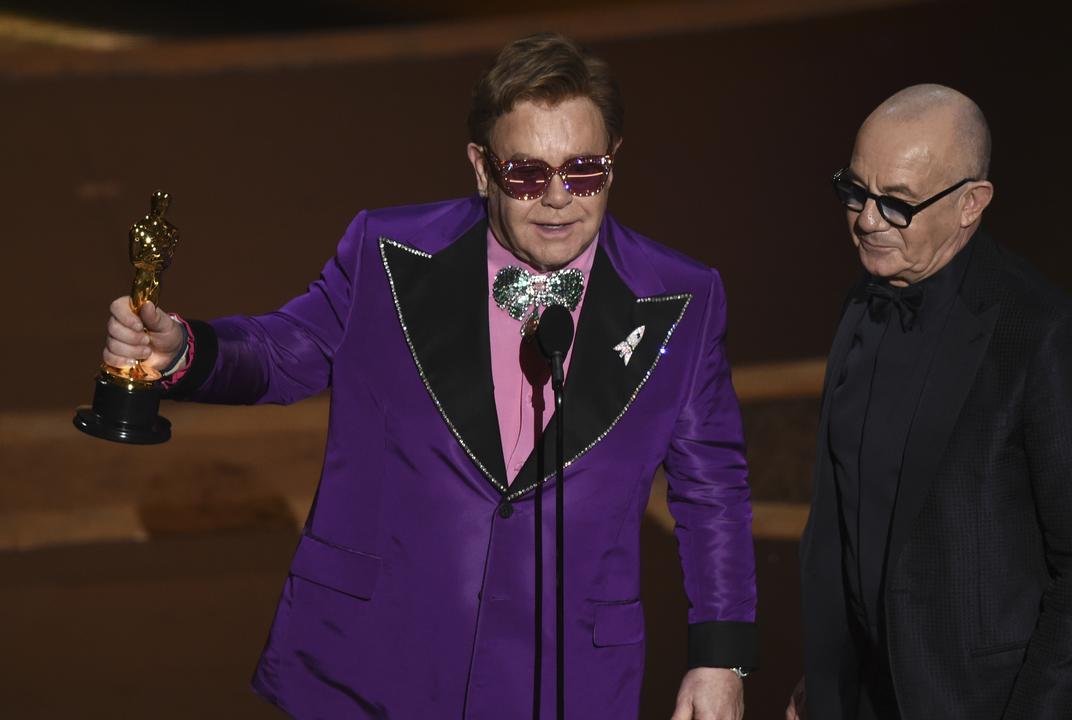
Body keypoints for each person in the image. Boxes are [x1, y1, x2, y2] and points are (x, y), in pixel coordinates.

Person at [101, 33, 756, 720]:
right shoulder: (389, 253)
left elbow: (713, 489)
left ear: (614, 161)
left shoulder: (685, 297)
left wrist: (721, 656)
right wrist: (184, 351)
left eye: (583, 171)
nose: (559, 199)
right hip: (371, 664)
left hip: (566, 680)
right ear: (481, 167)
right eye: (527, 173)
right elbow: (285, 349)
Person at [786, 85, 1072, 719]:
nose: (867, 219)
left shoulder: (1049, 337)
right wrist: (828, 685)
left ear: (972, 204)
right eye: (855, 191)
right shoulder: (861, 304)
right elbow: (846, 523)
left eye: (898, 203)